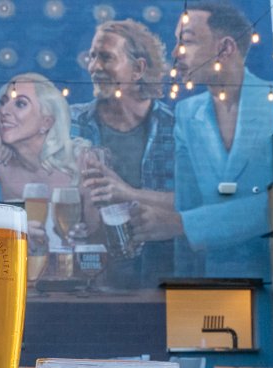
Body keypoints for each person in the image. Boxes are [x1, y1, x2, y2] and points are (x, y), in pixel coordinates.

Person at [133, 1, 273, 278]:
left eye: (186, 42)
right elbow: (187, 202)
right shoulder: (187, 113)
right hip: (209, 280)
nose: (175, 53)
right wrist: (183, 284)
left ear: (225, 48)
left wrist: (183, 224)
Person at [70, 19, 178, 287]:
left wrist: (126, 192)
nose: (94, 67)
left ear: (138, 69)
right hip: (87, 280)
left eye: (106, 57)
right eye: (92, 57)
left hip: (160, 281)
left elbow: (195, 203)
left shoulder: (176, 127)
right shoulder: (71, 122)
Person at [0, 73, 82, 203]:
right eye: (3, 103)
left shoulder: (79, 161)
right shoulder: (0, 157)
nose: (4, 110)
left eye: (20, 104)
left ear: (46, 122)